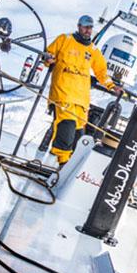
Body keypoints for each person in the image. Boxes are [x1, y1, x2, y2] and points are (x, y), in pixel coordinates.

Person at [43, 15, 123, 164]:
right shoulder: (64, 39)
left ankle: (72, 165)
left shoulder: (93, 50)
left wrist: (112, 86)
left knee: (79, 134)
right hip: (63, 93)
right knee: (66, 127)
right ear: (79, 26)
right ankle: (61, 163)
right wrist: (48, 59)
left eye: (90, 27)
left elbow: (101, 73)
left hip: (81, 99)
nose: (88, 30)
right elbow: (48, 56)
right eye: (85, 27)